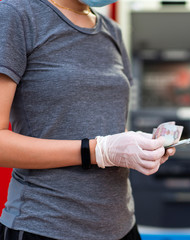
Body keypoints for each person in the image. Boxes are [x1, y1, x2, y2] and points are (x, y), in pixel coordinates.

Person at [0, 0, 176, 239]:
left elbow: (107, 122)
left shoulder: (112, 31)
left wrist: (139, 147)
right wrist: (97, 151)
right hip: (45, 226)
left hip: (122, 226)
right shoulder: (15, 15)